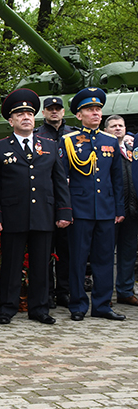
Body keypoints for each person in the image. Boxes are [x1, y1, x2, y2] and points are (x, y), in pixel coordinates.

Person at [0, 89, 72, 325]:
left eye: (30, 114)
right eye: (20, 114)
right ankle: (7, 308)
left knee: (42, 265)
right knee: (11, 265)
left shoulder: (50, 146)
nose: (26, 117)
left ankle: (40, 309)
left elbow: (59, 182)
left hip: (44, 213)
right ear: (11, 120)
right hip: (13, 214)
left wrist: (64, 211)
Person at [60, 87, 124, 321]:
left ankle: (102, 305)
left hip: (106, 210)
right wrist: (65, 209)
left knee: (105, 259)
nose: (96, 113)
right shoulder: (68, 141)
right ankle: (77, 305)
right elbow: (61, 179)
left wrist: (119, 208)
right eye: (90, 110)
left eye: (98, 109)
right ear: (79, 115)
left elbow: (117, 179)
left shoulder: (110, 141)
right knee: (77, 259)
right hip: (80, 210)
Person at [34, 96, 75, 308]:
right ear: (44, 112)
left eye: (58, 108)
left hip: (70, 199)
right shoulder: (37, 136)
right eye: (50, 109)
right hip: (45, 199)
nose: (54, 112)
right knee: (46, 251)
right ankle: (47, 292)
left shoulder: (74, 135)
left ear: (63, 111)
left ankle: (64, 291)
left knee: (66, 249)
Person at [103, 115, 138, 306]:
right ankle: (105, 294)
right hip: (110, 211)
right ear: (106, 130)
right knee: (106, 254)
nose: (118, 128)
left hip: (132, 210)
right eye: (113, 126)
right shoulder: (103, 149)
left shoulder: (132, 149)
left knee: (128, 253)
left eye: (121, 126)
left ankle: (125, 291)